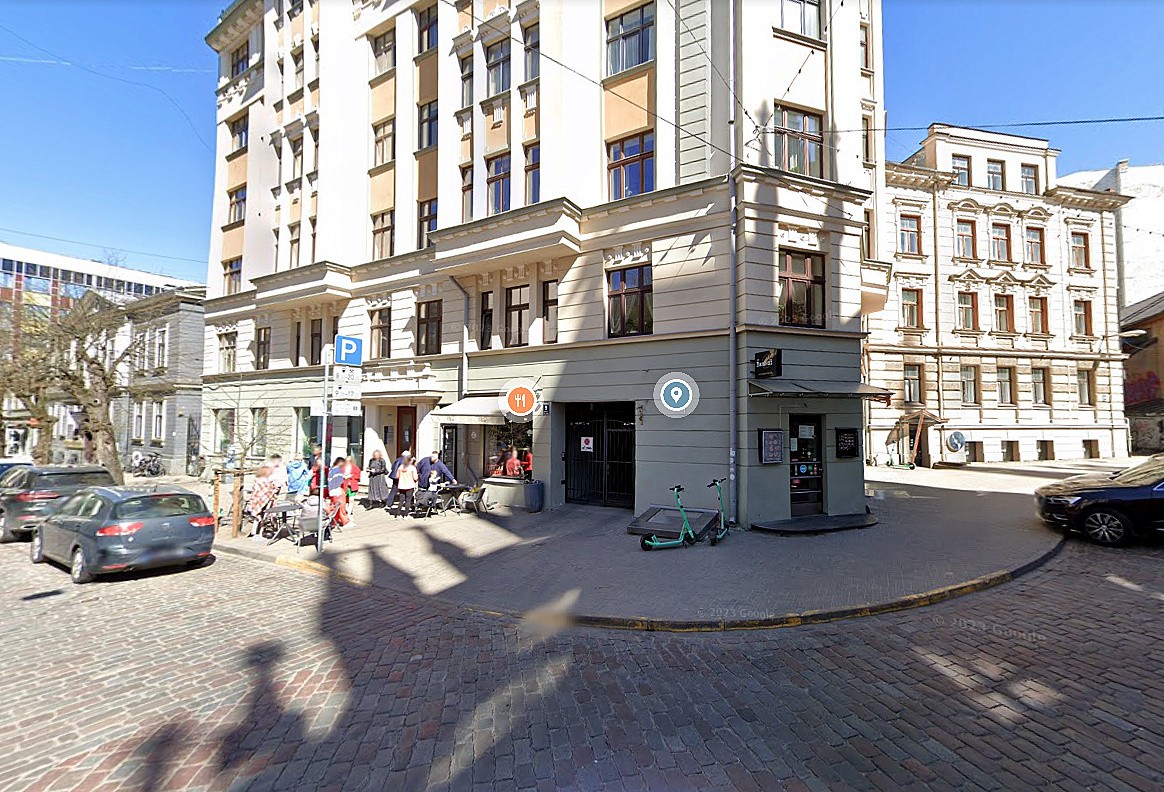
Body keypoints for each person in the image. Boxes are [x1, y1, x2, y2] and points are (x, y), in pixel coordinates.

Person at [246, 465, 277, 536]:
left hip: (257, 499)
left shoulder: (257, 480)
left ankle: (254, 531)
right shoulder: (266, 481)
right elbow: (271, 490)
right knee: (263, 516)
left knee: (258, 515)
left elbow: (255, 490)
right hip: (265, 499)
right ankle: (259, 532)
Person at [326, 456, 350, 528]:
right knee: (341, 507)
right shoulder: (337, 470)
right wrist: (345, 477)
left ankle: (334, 521)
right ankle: (345, 521)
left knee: (335, 507)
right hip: (337, 491)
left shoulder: (331, 469)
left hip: (332, 491)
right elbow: (339, 481)